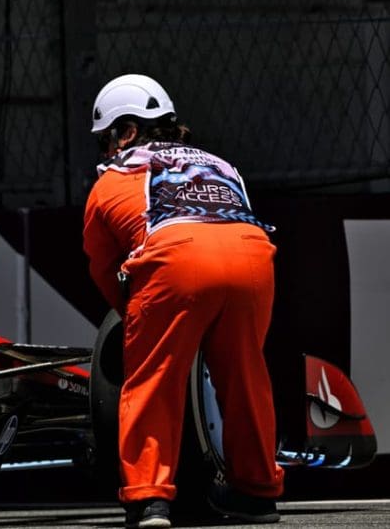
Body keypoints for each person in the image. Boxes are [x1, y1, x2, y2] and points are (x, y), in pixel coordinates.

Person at [81, 74, 284, 528]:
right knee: (246, 375)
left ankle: (149, 499)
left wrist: (135, 315)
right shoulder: (222, 164)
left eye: (106, 138)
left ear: (128, 132)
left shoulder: (115, 176)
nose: (104, 150)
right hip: (253, 256)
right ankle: (257, 493)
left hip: (176, 257)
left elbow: (100, 264)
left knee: (152, 377)